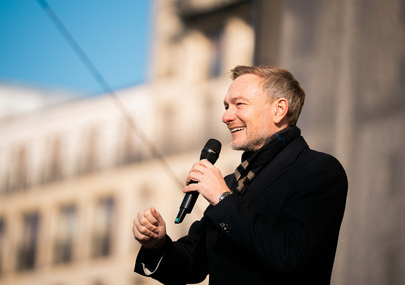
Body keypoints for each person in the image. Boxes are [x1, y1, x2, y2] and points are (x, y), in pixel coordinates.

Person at [132, 65, 348, 284]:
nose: (226, 116)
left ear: (279, 109)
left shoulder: (317, 169)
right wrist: (157, 245)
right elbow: (191, 264)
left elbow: (290, 255)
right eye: (226, 106)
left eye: (239, 104)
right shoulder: (232, 182)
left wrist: (223, 199)